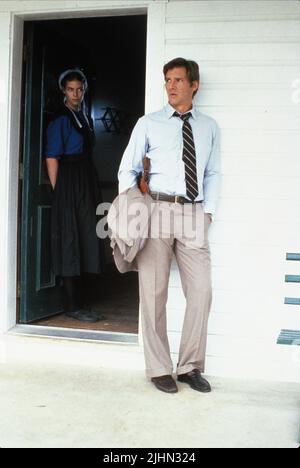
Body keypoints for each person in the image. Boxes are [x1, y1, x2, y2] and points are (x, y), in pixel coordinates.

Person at [118, 58, 221, 393]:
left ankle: (190, 366)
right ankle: (159, 367)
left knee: (201, 291)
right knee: (154, 292)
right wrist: (135, 209)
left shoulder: (208, 126)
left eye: (178, 80)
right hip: (157, 209)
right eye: (167, 80)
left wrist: (208, 214)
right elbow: (127, 170)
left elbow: (212, 173)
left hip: (193, 212)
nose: (172, 86)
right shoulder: (148, 123)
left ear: (194, 85)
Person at [45, 69, 104, 323]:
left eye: (79, 89)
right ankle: (71, 305)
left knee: (87, 236)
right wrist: (60, 193)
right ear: (63, 91)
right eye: (71, 89)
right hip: (68, 182)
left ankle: (83, 302)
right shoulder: (60, 119)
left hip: (86, 180)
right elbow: (51, 157)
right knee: (70, 240)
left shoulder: (84, 118)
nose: (76, 94)